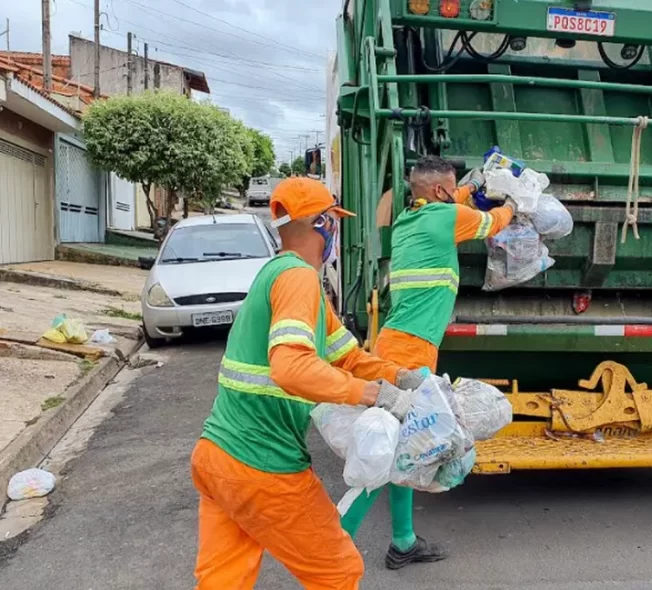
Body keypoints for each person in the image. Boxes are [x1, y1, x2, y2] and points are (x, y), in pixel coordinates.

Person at [190, 177, 426, 590]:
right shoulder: (298, 278)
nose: (336, 230)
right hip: (264, 464)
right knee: (336, 572)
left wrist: (401, 377)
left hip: (217, 457)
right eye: (334, 221)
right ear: (323, 225)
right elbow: (291, 369)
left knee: (223, 579)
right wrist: (378, 396)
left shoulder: (284, 278)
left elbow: (348, 357)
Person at [341, 155, 518, 569]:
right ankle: (333, 550)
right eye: (451, 187)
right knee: (384, 457)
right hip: (408, 358)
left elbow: (450, 200)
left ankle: (403, 541)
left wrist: (470, 188)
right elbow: (495, 223)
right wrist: (514, 200)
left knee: (404, 449)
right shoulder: (444, 218)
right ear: (439, 192)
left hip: (398, 347)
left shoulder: (411, 218)